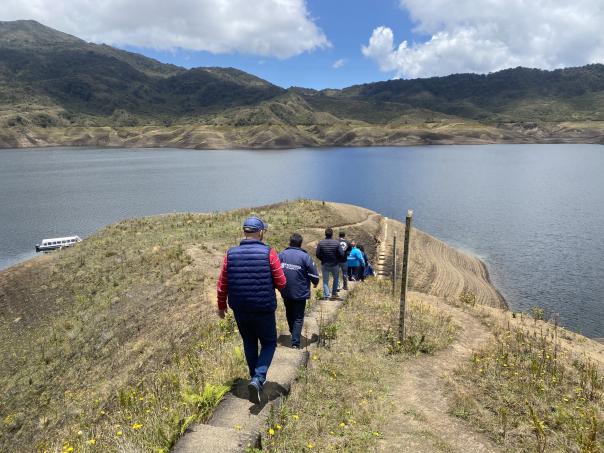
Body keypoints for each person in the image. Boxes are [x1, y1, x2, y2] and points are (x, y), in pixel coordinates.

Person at [216, 216, 286, 404]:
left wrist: (221, 306)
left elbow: (222, 284)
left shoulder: (230, 254)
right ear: (261, 232)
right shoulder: (269, 253)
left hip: (240, 309)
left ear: (244, 232)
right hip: (263, 309)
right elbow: (281, 281)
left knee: (249, 342)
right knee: (269, 343)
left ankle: (254, 379)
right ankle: (258, 378)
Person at [278, 233, 320, 349]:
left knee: (289, 311)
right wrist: (315, 282)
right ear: (300, 244)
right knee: (298, 316)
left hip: (285, 290)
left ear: (290, 242)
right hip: (300, 292)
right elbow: (314, 275)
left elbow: (275, 270)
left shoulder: (281, 255)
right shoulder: (305, 257)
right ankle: (295, 342)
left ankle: (293, 332)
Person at [315, 227, 341, 300]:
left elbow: (317, 254)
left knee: (325, 281)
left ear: (325, 234)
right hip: (335, 264)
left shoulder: (321, 243)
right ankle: (334, 294)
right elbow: (341, 254)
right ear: (332, 234)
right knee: (336, 279)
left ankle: (327, 295)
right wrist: (337, 259)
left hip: (325, 264)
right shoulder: (337, 243)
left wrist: (322, 259)